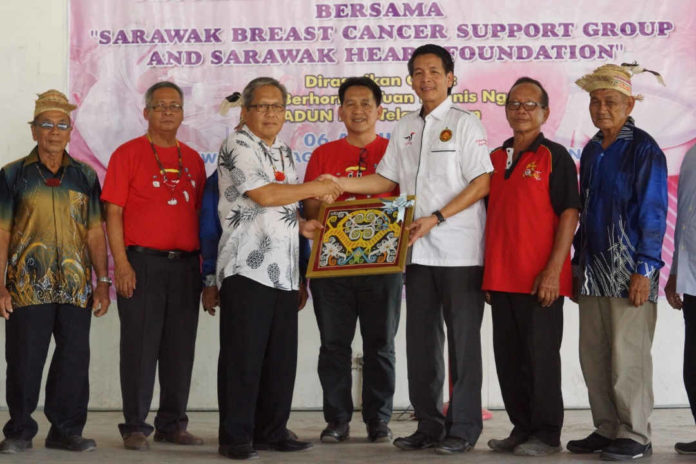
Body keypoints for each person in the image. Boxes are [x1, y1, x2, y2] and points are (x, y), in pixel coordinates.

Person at [333, 44, 492, 455]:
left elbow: (482, 183)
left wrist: (437, 217)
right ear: (410, 80)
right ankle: (429, 425)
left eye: (434, 72)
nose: (426, 79)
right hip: (416, 253)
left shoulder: (465, 124)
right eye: (418, 72)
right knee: (421, 345)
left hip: (459, 253)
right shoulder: (405, 126)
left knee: (462, 346)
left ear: (450, 78)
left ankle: (464, 427)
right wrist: (338, 183)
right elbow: (385, 181)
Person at [216, 77, 341, 460]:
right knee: (243, 358)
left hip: (283, 271)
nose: (270, 113)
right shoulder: (237, 144)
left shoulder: (284, 150)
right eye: (262, 106)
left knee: (279, 360)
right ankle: (236, 437)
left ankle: (271, 431)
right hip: (246, 268)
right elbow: (264, 194)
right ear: (245, 111)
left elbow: (280, 207)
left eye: (277, 107)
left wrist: (302, 225)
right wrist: (316, 187)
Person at [0, 90, 110, 453]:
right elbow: (2, 232)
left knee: (73, 361)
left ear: (70, 131)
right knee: (24, 360)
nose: (54, 131)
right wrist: (0, 286)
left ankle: (65, 431)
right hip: (27, 285)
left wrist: (102, 282)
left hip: (76, 286)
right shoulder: (12, 175)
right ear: (33, 130)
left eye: (62, 125)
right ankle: (19, 431)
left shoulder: (84, 176)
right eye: (46, 124)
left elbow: (95, 232)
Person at [567, 63, 668, 461]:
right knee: (594, 357)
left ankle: (635, 433)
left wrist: (645, 269)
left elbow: (654, 212)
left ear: (629, 105)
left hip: (630, 272)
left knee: (629, 358)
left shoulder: (644, 148)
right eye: (595, 101)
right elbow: (585, 209)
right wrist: (577, 264)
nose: (601, 108)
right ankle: (607, 428)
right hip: (593, 270)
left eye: (610, 101)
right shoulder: (593, 148)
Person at [101, 81, 207, 451]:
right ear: (145, 112)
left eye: (174, 106)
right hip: (142, 263)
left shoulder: (193, 159)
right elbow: (113, 212)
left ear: (182, 113)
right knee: (140, 347)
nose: (167, 112)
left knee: (180, 348)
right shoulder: (127, 154)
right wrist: (121, 265)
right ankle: (135, 426)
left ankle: (172, 424)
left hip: (186, 266)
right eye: (160, 106)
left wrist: (206, 273)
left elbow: (201, 216)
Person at [482, 77, 580, 456]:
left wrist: (554, 271)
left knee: (540, 359)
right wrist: (488, 273)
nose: (521, 110)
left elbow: (569, 213)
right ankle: (521, 428)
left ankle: (547, 434)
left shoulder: (555, 156)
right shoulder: (495, 157)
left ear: (545, 112)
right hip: (501, 277)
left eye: (530, 104)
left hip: (541, 279)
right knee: (509, 359)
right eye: (514, 104)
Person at [303, 77, 402, 444]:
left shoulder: (395, 151)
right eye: (350, 104)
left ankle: (379, 421)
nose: (358, 110)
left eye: (365, 104)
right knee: (333, 346)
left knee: (381, 345)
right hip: (331, 266)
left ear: (379, 111)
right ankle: (337, 420)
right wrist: (321, 203)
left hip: (383, 265)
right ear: (340, 111)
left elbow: (407, 202)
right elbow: (309, 208)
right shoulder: (323, 154)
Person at [665, 143, 696, 455]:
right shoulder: (691, 156)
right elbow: (684, 219)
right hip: (692, 280)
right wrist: (676, 270)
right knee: (693, 368)